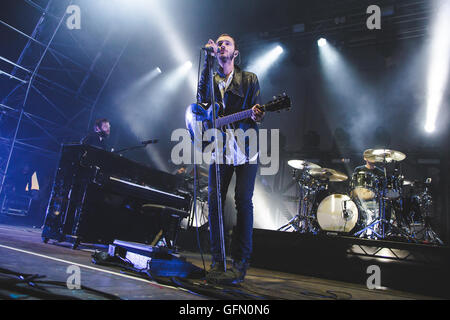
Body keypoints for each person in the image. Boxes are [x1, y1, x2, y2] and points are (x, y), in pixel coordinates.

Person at [197, 34, 264, 284]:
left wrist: (257, 115)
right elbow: (200, 101)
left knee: (243, 202)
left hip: (246, 147)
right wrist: (207, 59)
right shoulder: (213, 80)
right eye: (219, 43)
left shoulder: (249, 79)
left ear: (235, 53)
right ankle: (217, 260)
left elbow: (257, 113)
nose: (221, 45)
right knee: (214, 201)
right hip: (220, 148)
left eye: (227, 43)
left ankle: (240, 264)